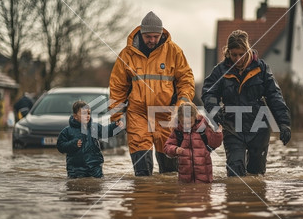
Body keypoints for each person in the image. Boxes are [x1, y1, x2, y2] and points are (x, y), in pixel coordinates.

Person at [108, 11, 195, 176]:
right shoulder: (127, 54)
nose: (152, 40)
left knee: (171, 174)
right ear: (141, 34)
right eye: (148, 36)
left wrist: (180, 108)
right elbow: (117, 88)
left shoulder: (174, 52)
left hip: (167, 115)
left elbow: (186, 81)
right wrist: (116, 118)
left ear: (161, 34)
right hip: (137, 115)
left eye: (156, 36)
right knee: (143, 175)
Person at [201, 30, 291, 176]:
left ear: (247, 50)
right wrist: (215, 111)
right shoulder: (220, 71)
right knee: (235, 172)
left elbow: (274, 96)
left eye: (241, 54)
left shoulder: (261, 69)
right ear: (228, 52)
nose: (237, 59)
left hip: (259, 126)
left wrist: (284, 123)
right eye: (234, 54)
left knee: (257, 175)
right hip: (232, 124)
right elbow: (208, 93)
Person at [57, 100, 124, 178]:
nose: (87, 115)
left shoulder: (94, 127)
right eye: (84, 113)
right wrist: (73, 144)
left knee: (97, 184)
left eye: (88, 113)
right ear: (75, 116)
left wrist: (115, 127)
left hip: (95, 166)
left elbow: (106, 131)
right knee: (76, 186)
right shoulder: (67, 131)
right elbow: (60, 146)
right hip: (76, 169)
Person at [164, 102, 223, 183]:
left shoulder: (203, 128)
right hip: (185, 178)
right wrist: (175, 149)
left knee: (204, 192)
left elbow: (215, 144)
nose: (186, 126)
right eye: (183, 123)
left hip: (204, 177)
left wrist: (218, 133)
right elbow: (167, 147)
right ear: (179, 120)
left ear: (195, 117)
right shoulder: (178, 132)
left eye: (189, 123)